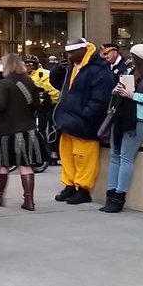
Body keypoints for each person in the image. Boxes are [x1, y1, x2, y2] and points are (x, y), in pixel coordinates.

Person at [101, 44, 143, 213]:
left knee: (125, 156)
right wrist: (117, 91)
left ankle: (119, 196)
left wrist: (132, 95)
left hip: (140, 118)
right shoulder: (129, 73)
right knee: (115, 155)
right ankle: (110, 194)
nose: (130, 60)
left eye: (133, 57)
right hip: (122, 116)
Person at [52, 38, 114, 205]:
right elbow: (57, 84)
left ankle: (83, 189)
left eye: (72, 52)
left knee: (83, 157)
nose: (69, 55)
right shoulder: (71, 67)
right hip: (68, 119)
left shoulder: (98, 70)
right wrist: (58, 69)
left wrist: (86, 114)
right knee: (66, 155)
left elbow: (100, 99)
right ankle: (70, 185)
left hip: (84, 122)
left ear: (83, 50)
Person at [0, 54, 44, 211]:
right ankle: (29, 200)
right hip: (27, 129)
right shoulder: (28, 81)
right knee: (26, 166)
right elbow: (36, 106)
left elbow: (1, 106)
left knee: (3, 165)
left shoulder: (3, 83)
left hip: (7, 130)